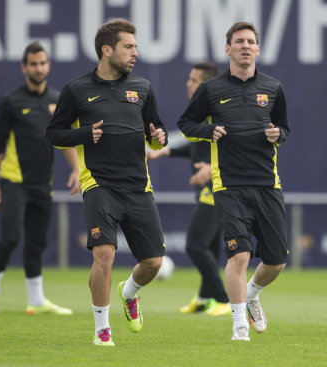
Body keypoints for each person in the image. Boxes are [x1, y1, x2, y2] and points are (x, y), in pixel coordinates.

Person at [46, 19, 168, 346]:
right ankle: (102, 330)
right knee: (104, 255)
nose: (135, 53)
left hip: (138, 186)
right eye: (128, 47)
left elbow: (156, 134)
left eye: (135, 47)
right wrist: (84, 134)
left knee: (154, 262)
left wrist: (158, 137)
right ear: (107, 50)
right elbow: (53, 134)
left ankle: (129, 292)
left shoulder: (142, 87)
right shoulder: (77, 89)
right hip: (99, 184)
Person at [177, 22, 290, 341]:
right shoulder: (211, 89)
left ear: (258, 49)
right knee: (238, 256)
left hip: (268, 184)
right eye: (238, 41)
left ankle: (252, 294)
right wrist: (207, 130)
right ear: (227, 49)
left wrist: (277, 134)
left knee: (277, 261)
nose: (245, 46)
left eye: (250, 42)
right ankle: (239, 325)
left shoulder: (273, 87)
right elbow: (186, 123)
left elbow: (284, 127)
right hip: (228, 185)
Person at [0, 41, 80, 316]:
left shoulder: (57, 100)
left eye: (42, 63)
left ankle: (36, 300)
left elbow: (64, 139)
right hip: (13, 181)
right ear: (24, 67)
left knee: (37, 243)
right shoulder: (10, 102)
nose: (38, 68)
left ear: (48, 65)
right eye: (33, 64)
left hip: (42, 184)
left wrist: (75, 169)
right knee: (10, 238)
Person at [147, 62, 230, 316]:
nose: (187, 84)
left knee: (195, 245)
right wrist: (167, 152)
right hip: (209, 187)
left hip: (218, 187)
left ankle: (225, 300)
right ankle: (205, 297)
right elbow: (195, 147)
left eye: (193, 80)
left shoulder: (220, 112)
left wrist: (212, 168)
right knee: (211, 246)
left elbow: (237, 148)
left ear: (204, 85)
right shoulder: (200, 112)